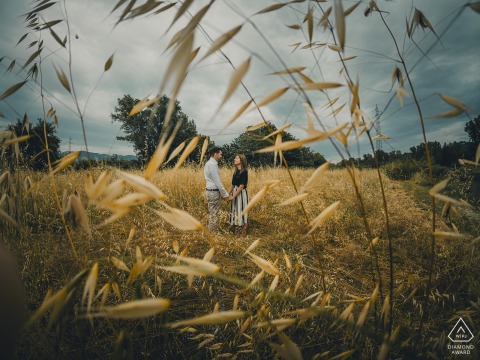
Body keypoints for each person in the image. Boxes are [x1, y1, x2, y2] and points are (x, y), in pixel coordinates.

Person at [204, 147, 232, 232]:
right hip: (213, 192)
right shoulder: (213, 164)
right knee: (214, 214)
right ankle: (213, 235)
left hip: (210, 191)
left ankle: (212, 231)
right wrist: (226, 195)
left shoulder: (209, 163)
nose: (221, 156)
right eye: (220, 154)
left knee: (213, 213)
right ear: (215, 154)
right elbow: (217, 182)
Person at [228, 154, 249, 237]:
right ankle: (236, 225)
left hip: (241, 193)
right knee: (234, 209)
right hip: (235, 191)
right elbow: (232, 185)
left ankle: (244, 227)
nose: (234, 159)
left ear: (241, 160)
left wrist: (233, 196)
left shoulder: (244, 172)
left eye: (236, 158)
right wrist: (227, 194)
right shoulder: (235, 172)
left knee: (242, 209)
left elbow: (241, 186)